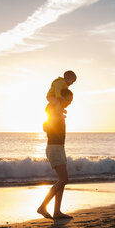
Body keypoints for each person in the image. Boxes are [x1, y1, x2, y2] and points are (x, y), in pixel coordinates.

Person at [37, 87, 74, 220]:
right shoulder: (53, 109)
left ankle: (57, 212)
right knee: (64, 180)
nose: (69, 103)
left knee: (62, 181)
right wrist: (58, 114)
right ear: (61, 98)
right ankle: (42, 206)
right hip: (54, 148)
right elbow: (46, 125)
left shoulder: (57, 110)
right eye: (68, 100)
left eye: (71, 101)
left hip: (59, 147)